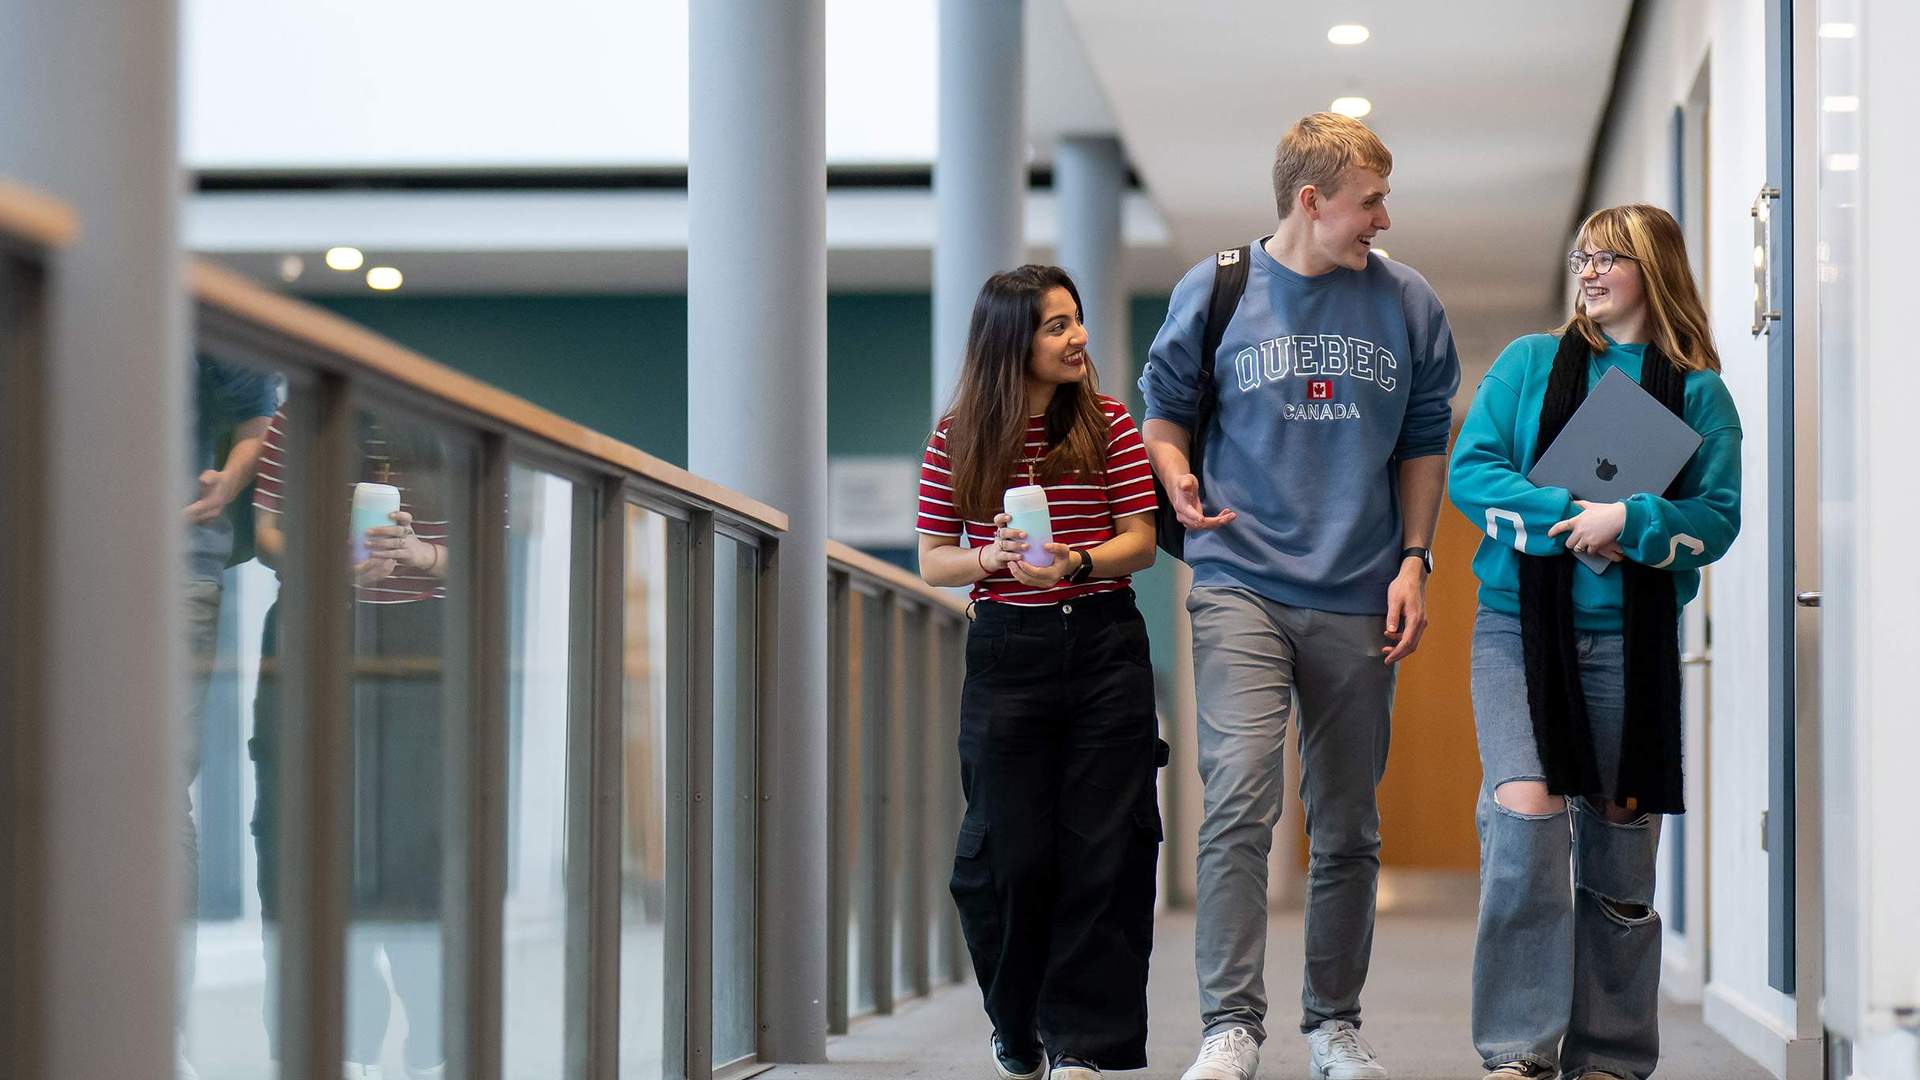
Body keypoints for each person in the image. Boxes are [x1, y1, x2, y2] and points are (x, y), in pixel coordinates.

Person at [1139, 112, 1461, 1080]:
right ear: (1311, 201)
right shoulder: (1221, 287)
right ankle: (1230, 1025)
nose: (1384, 221)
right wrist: (1176, 474)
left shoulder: (1407, 301)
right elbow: (1164, 410)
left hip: (1362, 587)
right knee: (1240, 794)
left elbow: (1424, 439)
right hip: (1241, 577)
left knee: (1349, 816)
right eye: (1371, 203)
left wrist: (1416, 561)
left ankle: (1334, 1023)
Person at [1446, 203, 1741, 1080]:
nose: (1590, 270)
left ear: (1655, 269)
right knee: (1528, 811)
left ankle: (1609, 1055)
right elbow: (1473, 472)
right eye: (1583, 254)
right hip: (1517, 632)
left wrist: (1636, 518)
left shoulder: (1698, 392)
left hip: (1630, 646)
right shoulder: (1530, 363)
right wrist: (1572, 515)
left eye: (1610, 256)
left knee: (1618, 834)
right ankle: (1517, 1050)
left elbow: (1717, 520)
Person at [917, 265, 1162, 1080]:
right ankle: (1015, 1025)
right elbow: (932, 561)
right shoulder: (958, 437)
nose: (1077, 337)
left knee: (1105, 852)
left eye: (1077, 320)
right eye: (1056, 326)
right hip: (1007, 656)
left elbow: (1141, 541)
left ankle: (1083, 1047)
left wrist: (1077, 561)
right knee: (1004, 860)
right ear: (1010, 343)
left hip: (1103, 643)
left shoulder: (1112, 424)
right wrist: (990, 555)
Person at [251, 404, 453, 1080]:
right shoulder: (300, 416)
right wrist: (329, 559)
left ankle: (435, 1046)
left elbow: (488, 549)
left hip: (423, 641)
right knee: (296, 833)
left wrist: (416, 553)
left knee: (419, 842)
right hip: (313, 626)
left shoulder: (455, 423)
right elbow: (268, 531)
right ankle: (327, 1045)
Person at [178, 353, 279, 1080]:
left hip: (175, 559)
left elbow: (258, 419)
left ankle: (157, 1027)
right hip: (32, 556)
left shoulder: (188, 304)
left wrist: (225, 487)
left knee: (152, 785)